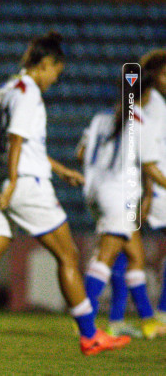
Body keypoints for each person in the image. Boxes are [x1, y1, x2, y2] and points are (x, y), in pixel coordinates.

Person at [0, 31, 131, 356]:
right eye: (55, 72)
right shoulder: (29, 93)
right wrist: (16, 183)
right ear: (45, 64)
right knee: (68, 255)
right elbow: (16, 140)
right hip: (25, 185)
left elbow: (20, 145)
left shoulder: (4, 91)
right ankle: (90, 335)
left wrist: (59, 170)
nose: (54, 80)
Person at [76, 67, 166, 340]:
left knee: (135, 256)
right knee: (105, 257)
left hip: (95, 191)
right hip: (117, 196)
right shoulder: (141, 121)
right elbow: (150, 167)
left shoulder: (101, 119)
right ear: (147, 94)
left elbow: (81, 152)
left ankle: (148, 322)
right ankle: (84, 321)